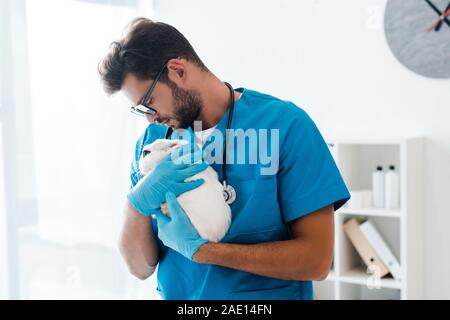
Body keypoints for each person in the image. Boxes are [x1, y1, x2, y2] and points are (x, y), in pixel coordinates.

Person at [98, 17, 350, 300]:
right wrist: (136, 205)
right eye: (140, 111)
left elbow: (316, 261)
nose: (150, 119)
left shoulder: (286, 126)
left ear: (178, 71)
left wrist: (206, 252)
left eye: (149, 103)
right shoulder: (152, 145)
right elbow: (139, 268)